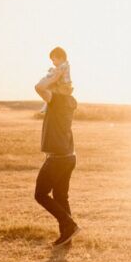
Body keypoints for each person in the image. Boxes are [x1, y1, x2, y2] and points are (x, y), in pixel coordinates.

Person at [35, 46, 80, 246]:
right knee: (61, 196)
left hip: (58, 157)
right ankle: (67, 236)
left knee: (40, 194)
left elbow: (39, 86)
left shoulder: (57, 100)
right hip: (69, 155)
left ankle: (68, 224)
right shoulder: (70, 100)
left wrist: (54, 74)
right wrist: (58, 76)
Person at [38, 48, 74, 114]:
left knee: (49, 90)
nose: (53, 63)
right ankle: (46, 105)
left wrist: (50, 75)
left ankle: (46, 106)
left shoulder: (63, 66)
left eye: (54, 60)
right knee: (49, 90)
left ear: (61, 58)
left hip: (64, 87)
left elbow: (57, 75)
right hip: (62, 86)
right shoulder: (63, 66)